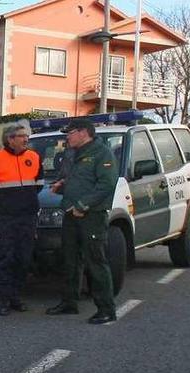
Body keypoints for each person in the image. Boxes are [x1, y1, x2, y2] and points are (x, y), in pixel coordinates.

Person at [46, 118, 119, 325]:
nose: (67, 137)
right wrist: (62, 185)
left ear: (83, 132)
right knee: (69, 260)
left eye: (70, 133)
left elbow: (106, 184)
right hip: (71, 214)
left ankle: (106, 309)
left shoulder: (101, 153)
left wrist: (82, 205)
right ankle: (69, 302)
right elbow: (82, 179)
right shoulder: (77, 153)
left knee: (96, 262)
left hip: (91, 216)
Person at [0, 123, 44, 316]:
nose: (26, 140)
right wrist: (4, 204)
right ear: (10, 139)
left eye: (27, 137)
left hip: (28, 217)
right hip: (6, 218)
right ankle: (3, 300)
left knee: (23, 258)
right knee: (5, 258)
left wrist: (25, 201)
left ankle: (16, 297)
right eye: (22, 136)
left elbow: (38, 184)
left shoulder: (34, 157)